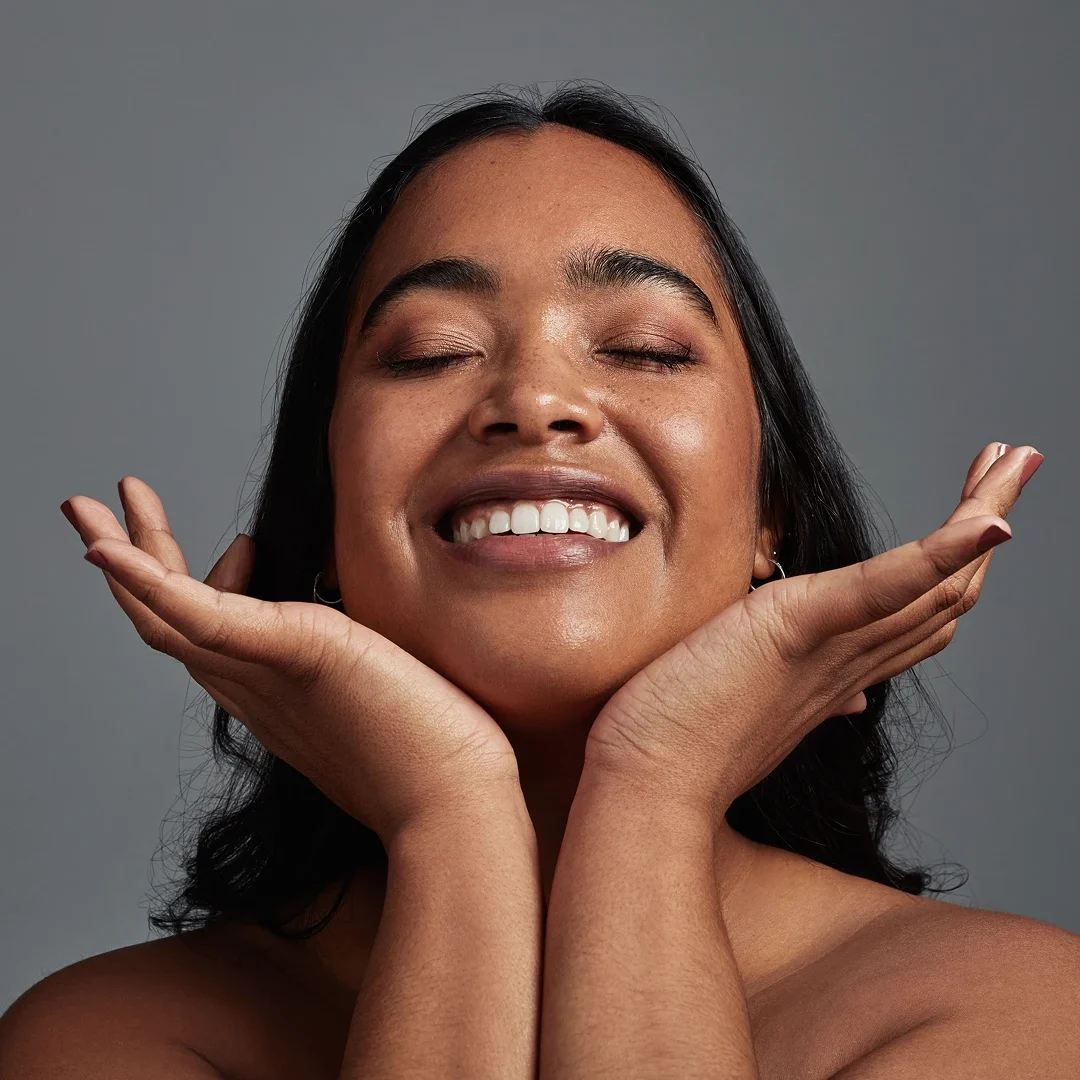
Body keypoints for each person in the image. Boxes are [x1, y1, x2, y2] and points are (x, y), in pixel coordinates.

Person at [2, 81, 1076, 1079]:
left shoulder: (1019, 1017)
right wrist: (449, 819)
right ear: (323, 526)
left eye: (647, 348)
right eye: (429, 352)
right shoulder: (106, 1043)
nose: (535, 399)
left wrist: (657, 785)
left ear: (768, 521)